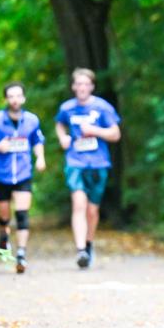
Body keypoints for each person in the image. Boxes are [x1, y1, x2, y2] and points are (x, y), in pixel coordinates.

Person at [54, 68, 121, 269]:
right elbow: (59, 124)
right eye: (79, 84)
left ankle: (89, 243)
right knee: (79, 205)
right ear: (74, 86)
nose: (82, 88)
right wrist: (63, 138)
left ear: (91, 86)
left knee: (92, 211)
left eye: (86, 84)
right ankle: (81, 250)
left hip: (99, 163)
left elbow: (115, 134)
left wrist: (94, 131)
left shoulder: (103, 107)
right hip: (75, 162)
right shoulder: (67, 108)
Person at [0, 82, 46, 274]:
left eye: (18, 96)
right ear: (6, 99)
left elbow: (38, 141)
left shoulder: (32, 120)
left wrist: (41, 157)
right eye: (11, 96)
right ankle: (3, 234)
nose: (15, 99)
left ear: (23, 98)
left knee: (22, 214)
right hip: (2, 175)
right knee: (4, 215)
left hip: (24, 174)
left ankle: (21, 254)